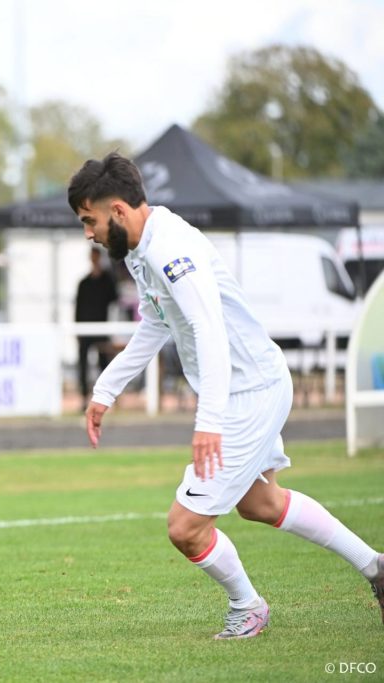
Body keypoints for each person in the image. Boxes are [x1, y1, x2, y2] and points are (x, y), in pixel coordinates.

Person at [70, 152, 383, 639]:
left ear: (118, 210)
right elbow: (156, 324)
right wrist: (105, 390)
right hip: (250, 386)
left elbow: (209, 329)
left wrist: (209, 423)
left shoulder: (169, 249)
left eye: (89, 220)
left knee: (185, 527)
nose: (88, 233)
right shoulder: (138, 247)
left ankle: (248, 606)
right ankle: (377, 568)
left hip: (249, 392)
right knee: (262, 503)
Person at [74, 248, 120, 410]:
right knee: (83, 365)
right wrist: (77, 329)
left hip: (101, 328)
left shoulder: (107, 280)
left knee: (104, 364)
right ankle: (84, 398)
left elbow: (115, 298)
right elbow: (78, 308)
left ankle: (107, 398)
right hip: (85, 328)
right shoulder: (84, 283)